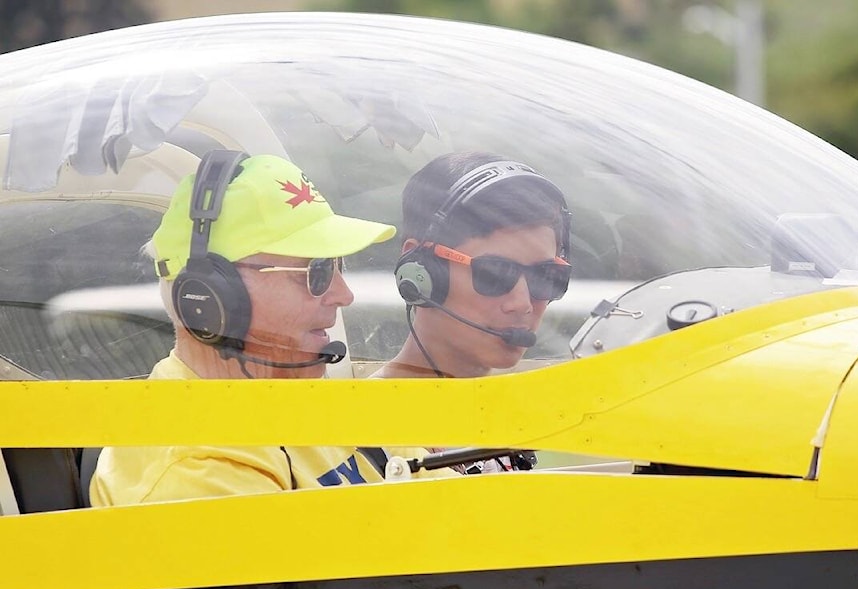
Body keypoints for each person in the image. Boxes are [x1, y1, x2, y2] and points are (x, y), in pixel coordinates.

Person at [90, 151, 454, 507]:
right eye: (317, 272)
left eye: (338, 266)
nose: (344, 294)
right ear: (212, 301)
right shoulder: (197, 475)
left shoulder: (293, 394)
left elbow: (449, 502)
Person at [375, 151, 572, 472]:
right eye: (494, 274)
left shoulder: (517, 423)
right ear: (420, 271)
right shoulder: (357, 437)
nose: (522, 303)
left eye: (544, 277)